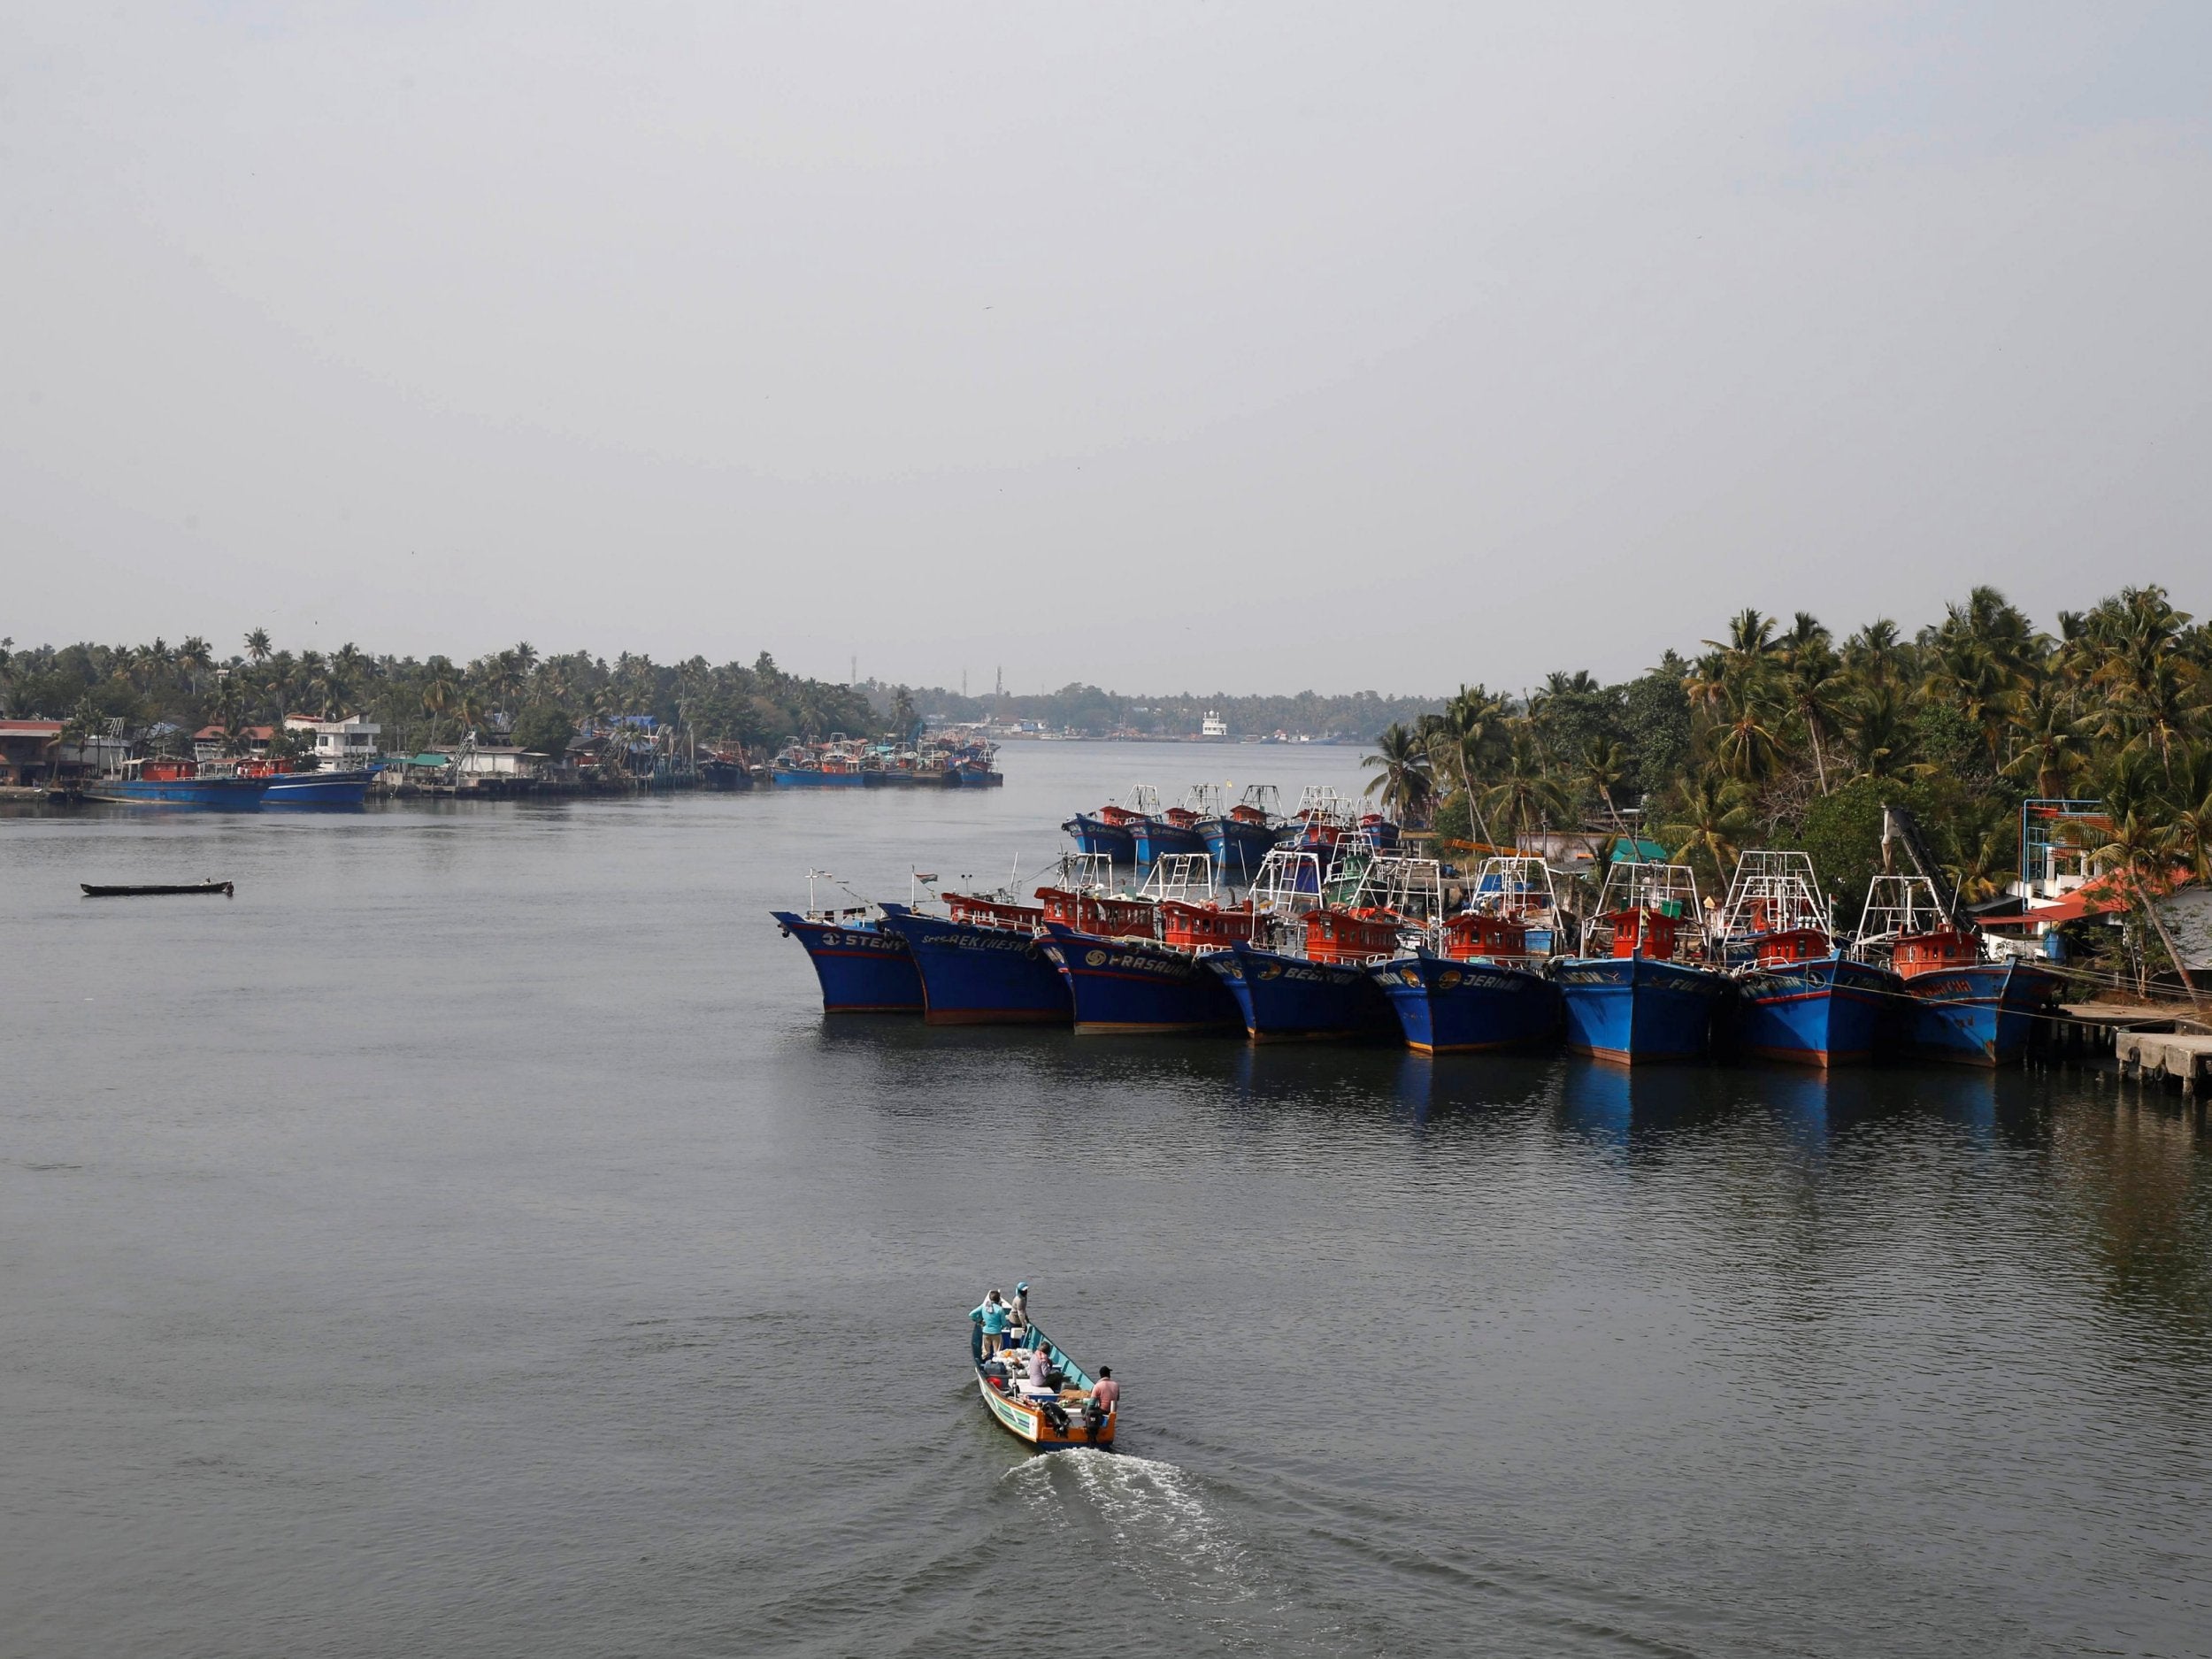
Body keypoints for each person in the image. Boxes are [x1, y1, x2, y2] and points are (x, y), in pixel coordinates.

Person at [971, 1289, 1010, 1357]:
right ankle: (996, 1364)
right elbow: (1004, 1324)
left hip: (986, 1332)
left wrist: (979, 1321)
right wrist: (1001, 1326)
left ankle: (986, 1362)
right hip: (996, 1333)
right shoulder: (1000, 1309)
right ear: (998, 1299)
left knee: (985, 1353)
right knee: (997, 1353)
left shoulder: (984, 1306)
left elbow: (971, 1314)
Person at [1086, 1367, 1118, 1442]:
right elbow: (1117, 1398)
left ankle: (1089, 1431)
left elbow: (1091, 1404)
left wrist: (1085, 1415)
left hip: (1102, 1411)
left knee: (1085, 1410)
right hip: (1112, 1412)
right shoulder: (1116, 1385)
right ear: (1109, 1375)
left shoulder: (1097, 1386)